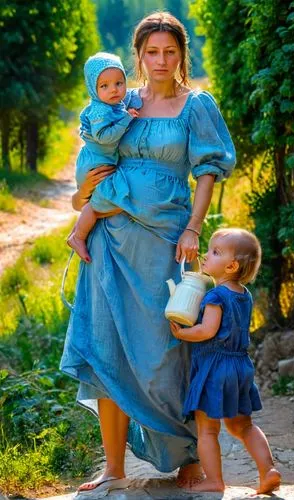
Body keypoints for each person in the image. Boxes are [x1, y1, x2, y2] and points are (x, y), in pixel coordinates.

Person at [60, 11, 236, 492]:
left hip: (165, 240)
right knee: (106, 349)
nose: (160, 61)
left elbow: (206, 172)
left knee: (166, 353)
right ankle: (113, 469)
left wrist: (194, 229)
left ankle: (185, 460)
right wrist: (82, 200)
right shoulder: (117, 102)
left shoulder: (195, 105)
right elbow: (90, 164)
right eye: (151, 52)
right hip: (109, 243)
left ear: (181, 54)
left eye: (170, 51)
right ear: (138, 56)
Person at [170, 228, 281, 494]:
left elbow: (207, 330)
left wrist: (183, 332)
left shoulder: (215, 296)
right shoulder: (244, 294)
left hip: (216, 368)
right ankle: (269, 470)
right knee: (243, 425)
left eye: (215, 252)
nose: (206, 255)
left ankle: (214, 480)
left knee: (207, 428)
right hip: (240, 366)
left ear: (231, 266)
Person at [67, 52, 140, 263]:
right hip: (95, 164)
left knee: (107, 200)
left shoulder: (113, 104)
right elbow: (105, 138)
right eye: (104, 86)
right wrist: (126, 119)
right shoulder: (100, 110)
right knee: (101, 201)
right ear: (93, 88)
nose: (114, 90)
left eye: (119, 83)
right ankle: (78, 236)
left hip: (100, 161)